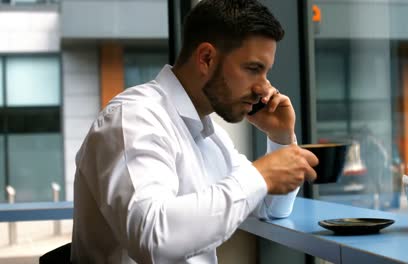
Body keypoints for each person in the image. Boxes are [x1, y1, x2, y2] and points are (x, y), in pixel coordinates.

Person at [71, 0, 318, 263]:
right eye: (253, 69)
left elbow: (271, 210)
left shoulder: (212, 137)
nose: (263, 88)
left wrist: (280, 139)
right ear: (206, 58)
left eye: (266, 72)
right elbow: (152, 238)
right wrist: (260, 175)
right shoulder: (133, 117)